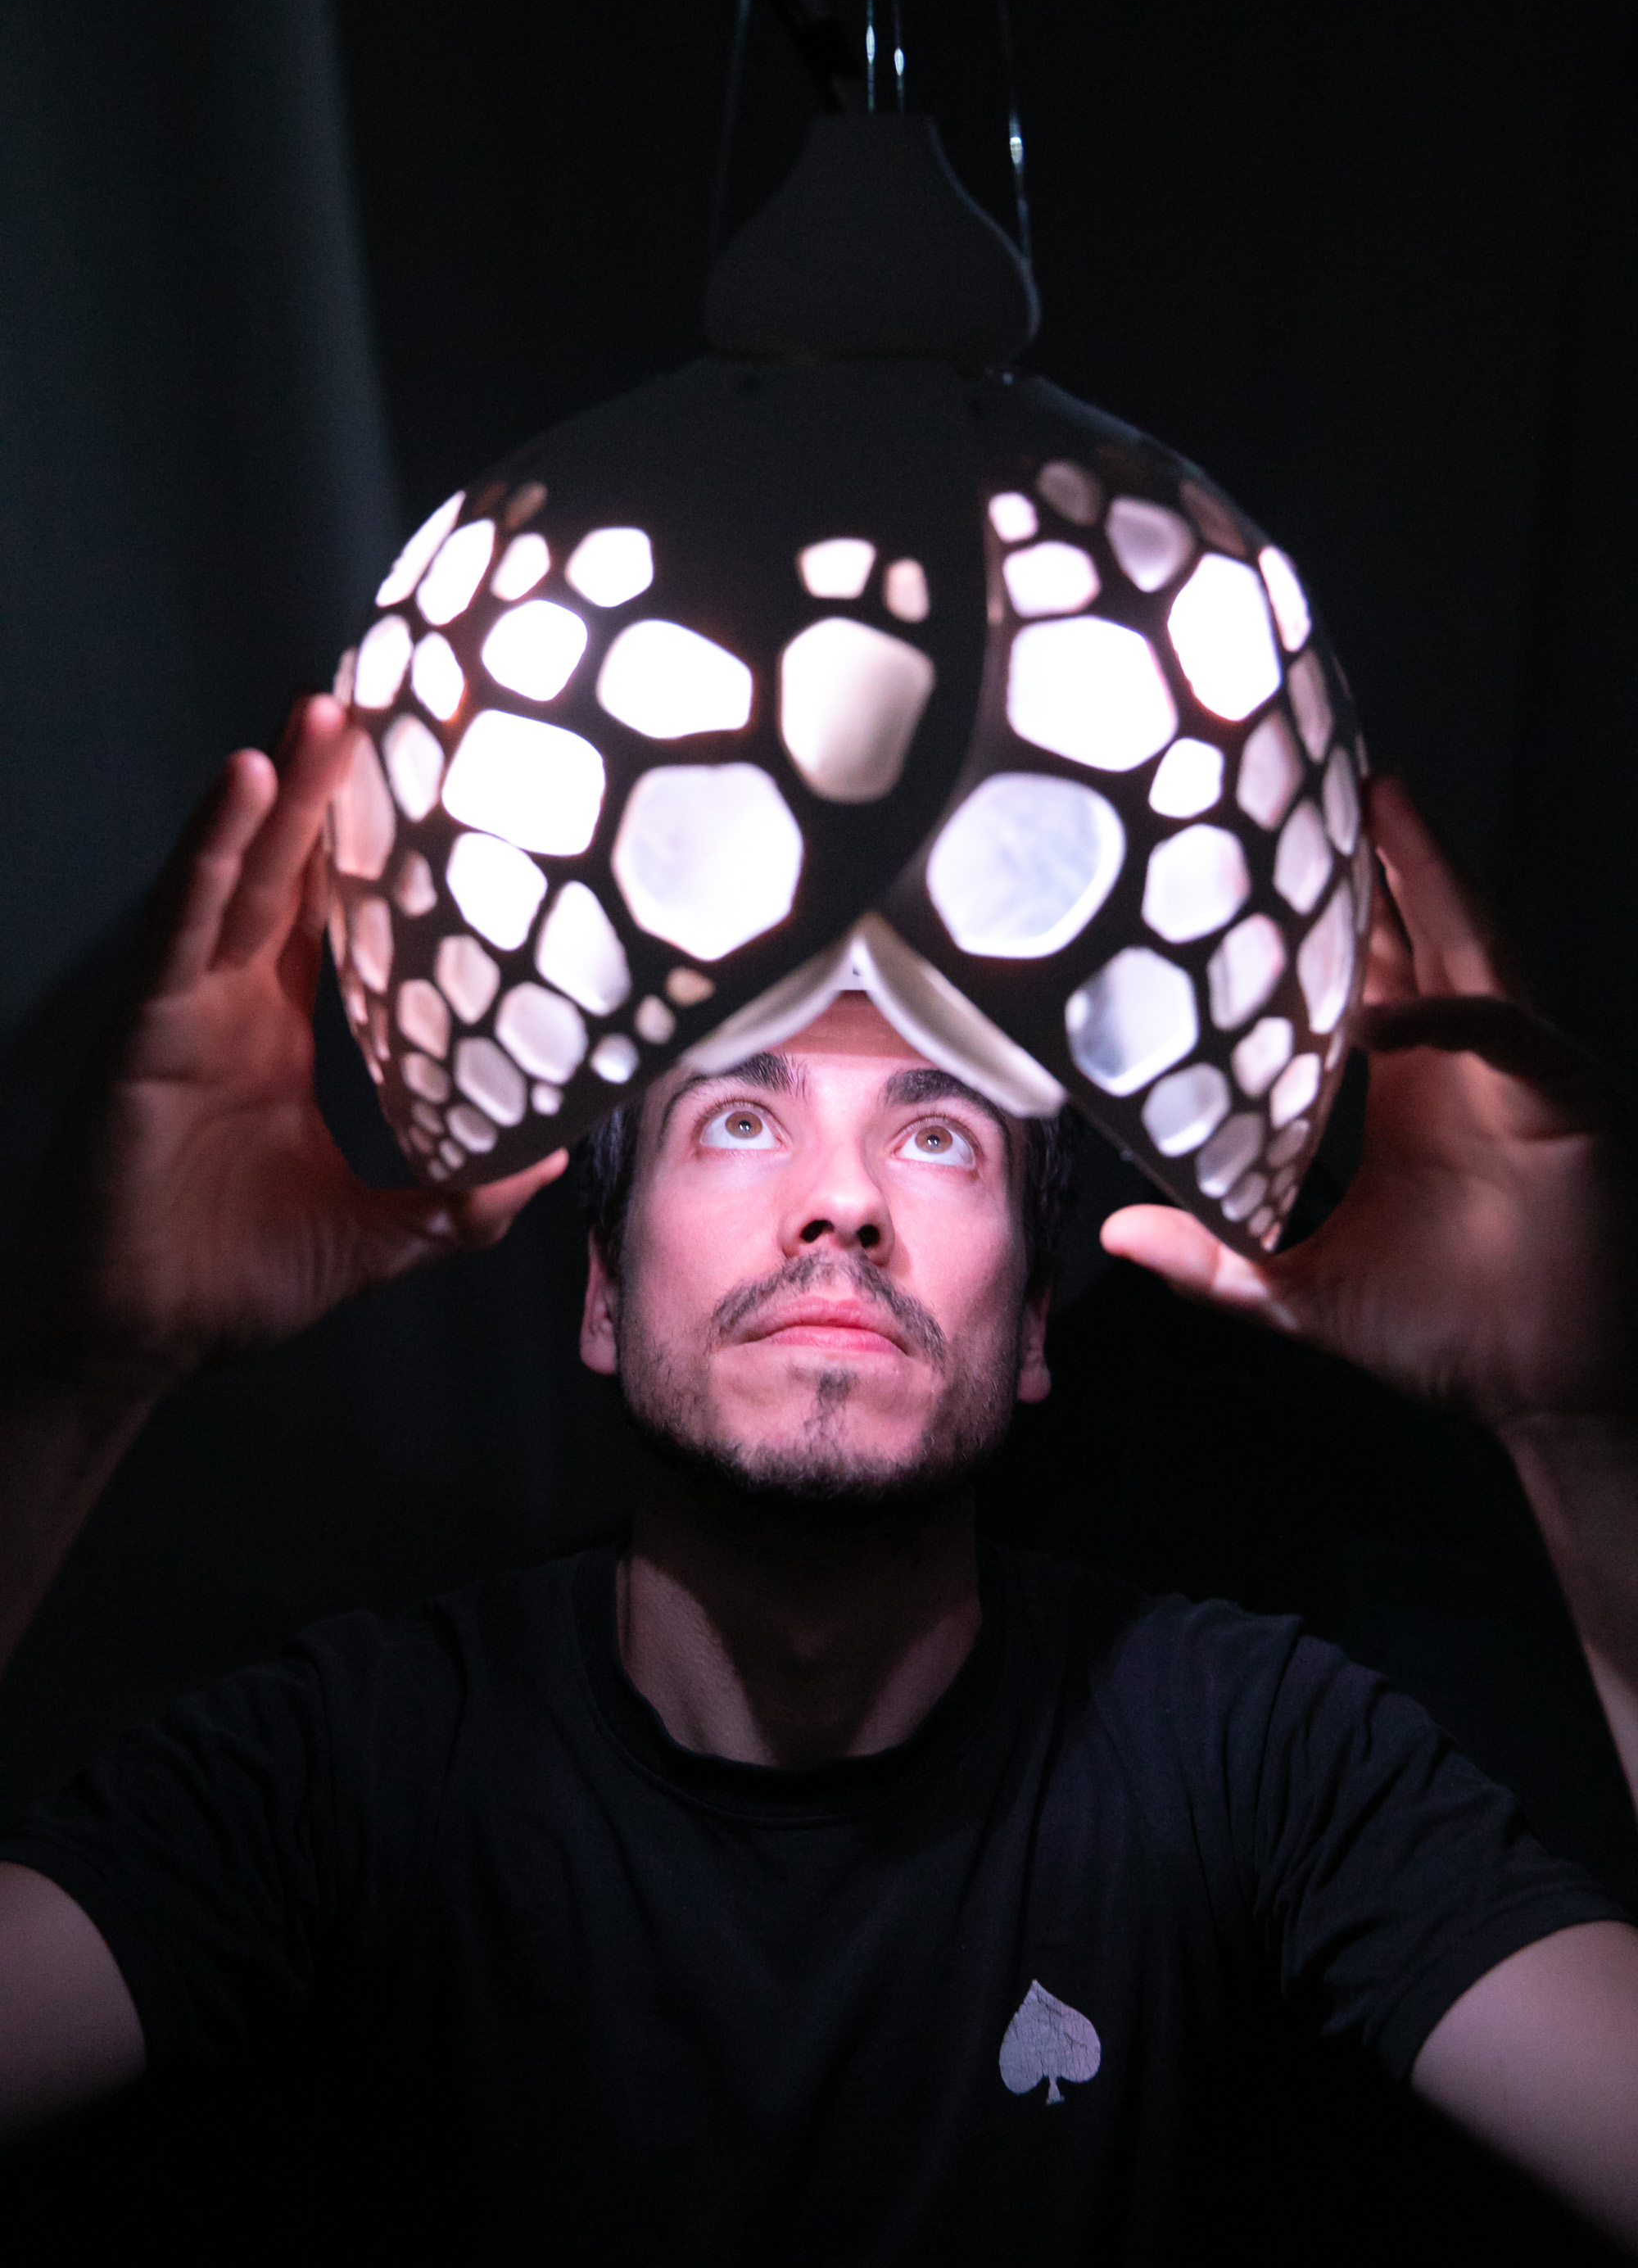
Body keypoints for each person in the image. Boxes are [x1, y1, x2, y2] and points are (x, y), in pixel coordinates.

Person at [2, 691, 1638, 2262]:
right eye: (738, 1121)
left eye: (937, 1138)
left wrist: (1577, 1426)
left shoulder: (1244, 1750)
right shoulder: (352, 1764)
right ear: (600, 1294)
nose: (840, 1203)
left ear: (1033, 1329)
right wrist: (77, 1367)